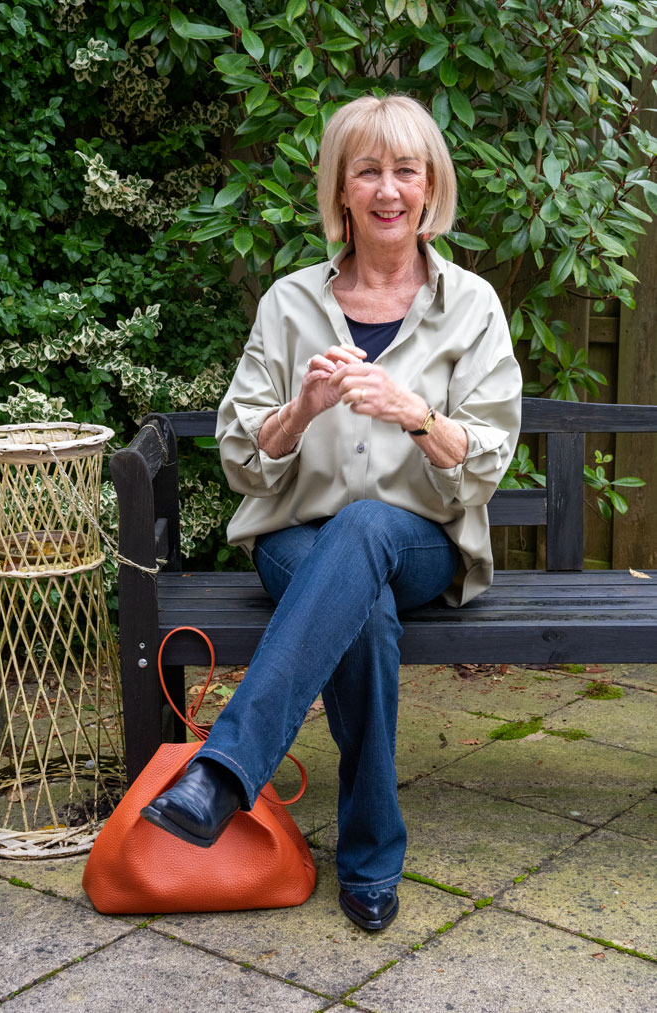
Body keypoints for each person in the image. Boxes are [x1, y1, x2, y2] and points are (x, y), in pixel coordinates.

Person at [141, 94, 522, 931]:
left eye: (405, 170)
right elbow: (244, 460)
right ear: (342, 191)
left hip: (420, 540)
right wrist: (302, 407)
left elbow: (488, 460)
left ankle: (225, 770)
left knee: (368, 530)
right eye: (367, 170)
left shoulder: (471, 305)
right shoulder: (288, 303)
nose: (388, 188)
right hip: (295, 539)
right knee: (364, 613)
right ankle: (370, 858)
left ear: (430, 190)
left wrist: (413, 412)